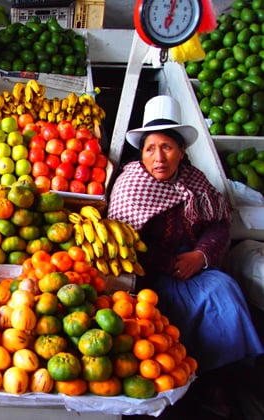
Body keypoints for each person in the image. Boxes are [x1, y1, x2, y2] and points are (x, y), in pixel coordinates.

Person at [108, 95, 264, 380]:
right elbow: (124, 243)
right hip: (149, 271)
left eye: (167, 147)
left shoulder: (195, 180)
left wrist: (201, 256)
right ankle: (184, 375)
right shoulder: (130, 184)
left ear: (181, 151)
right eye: (150, 149)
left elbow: (218, 224)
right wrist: (170, 265)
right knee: (170, 310)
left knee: (223, 289)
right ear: (141, 154)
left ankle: (222, 376)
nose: (158, 157)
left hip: (194, 265)